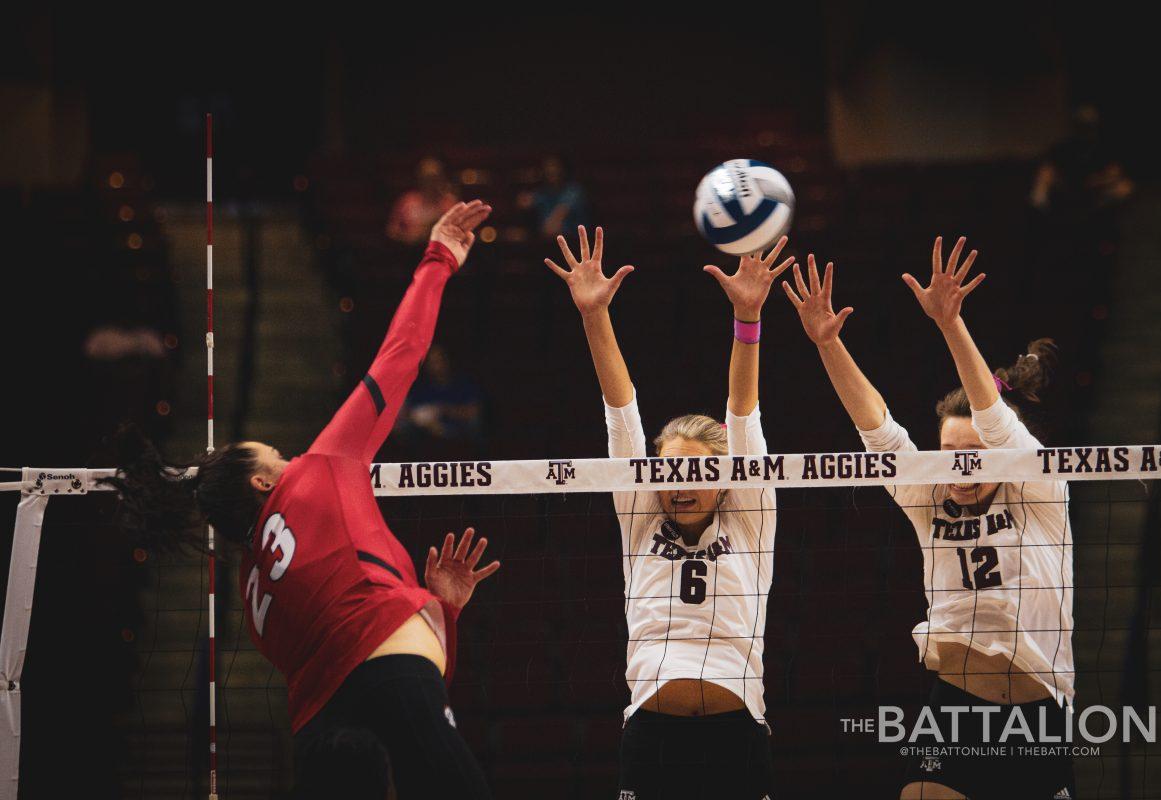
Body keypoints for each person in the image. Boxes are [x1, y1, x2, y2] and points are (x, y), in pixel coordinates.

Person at [106, 201, 500, 799]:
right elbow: (401, 354)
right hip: (389, 670)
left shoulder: (253, 593)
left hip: (317, 727)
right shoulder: (318, 469)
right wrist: (438, 257)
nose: (289, 457)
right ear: (263, 483)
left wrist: (438, 610)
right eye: (275, 454)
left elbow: (345, 653)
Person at [782, 237, 1074, 800]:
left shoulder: (1039, 492)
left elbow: (993, 420)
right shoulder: (926, 496)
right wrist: (827, 344)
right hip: (953, 706)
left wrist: (950, 324)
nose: (959, 471)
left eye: (974, 457)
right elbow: (878, 428)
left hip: (1038, 715)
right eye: (948, 457)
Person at [545, 226, 789, 800]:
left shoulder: (749, 516)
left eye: (696, 473)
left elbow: (743, 413)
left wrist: (748, 319)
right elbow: (620, 413)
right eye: (669, 473)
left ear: (723, 476)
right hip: (652, 737)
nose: (679, 486)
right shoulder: (640, 515)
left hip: (736, 734)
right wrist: (593, 316)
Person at [386, 157, 459, 245]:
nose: (430, 183)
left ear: (441, 179)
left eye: (434, 178)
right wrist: (409, 237)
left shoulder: (449, 204)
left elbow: (457, 233)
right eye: (427, 178)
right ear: (420, 178)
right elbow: (392, 231)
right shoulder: (407, 202)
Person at [523, 154, 590, 238]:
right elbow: (523, 204)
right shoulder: (541, 193)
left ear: (562, 169)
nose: (551, 170)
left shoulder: (574, 192)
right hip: (546, 242)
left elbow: (552, 227)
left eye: (554, 166)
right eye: (547, 167)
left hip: (574, 241)